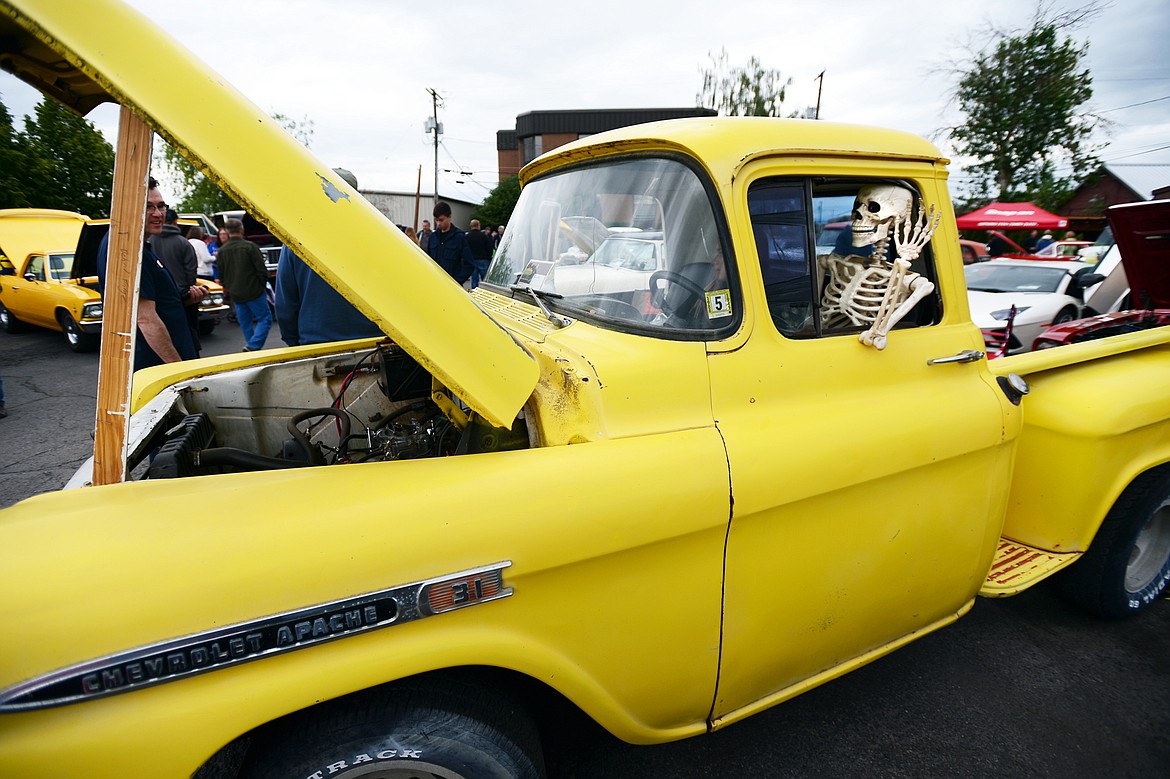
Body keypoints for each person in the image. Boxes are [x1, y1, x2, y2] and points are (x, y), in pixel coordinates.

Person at [96, 177, 198, 371]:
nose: (158, 214)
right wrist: (179, 371)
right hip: (156, 367)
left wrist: (184, 301)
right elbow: (145, 319)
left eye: (161, 206)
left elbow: (154, 302)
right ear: (130, 207)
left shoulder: (135, 244)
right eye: (148, 207)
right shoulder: (128, 248)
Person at [274, 168, 382, 347]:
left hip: (318, 345)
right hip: (373, 343)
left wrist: (294, 341)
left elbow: (285, 303)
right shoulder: (379, 237)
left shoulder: (297, 240)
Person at [152, 208, 207, 354]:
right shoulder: (183, 243)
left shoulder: (149, 241)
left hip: (156, 297)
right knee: (188, 335)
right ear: (176, 222)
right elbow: (191, 272)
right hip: (182, 296)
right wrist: (191, 289)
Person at [216, 218, 272, 351]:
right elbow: (261, 269)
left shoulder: (222, 251)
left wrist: (228, 287)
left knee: (245, 322)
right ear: (242, 230)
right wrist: (263, 283)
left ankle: (252, 345)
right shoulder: (250, 247)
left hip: (236, 292)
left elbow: (221, 273)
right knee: (265, 318)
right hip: (254, 290)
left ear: (228, 232)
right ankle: (254, 345)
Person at [425, 201, 473, 285]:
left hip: (453, 288)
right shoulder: (433, 237)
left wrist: (456, 282)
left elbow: (469, 265)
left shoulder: (459, 237)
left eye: (441, 220)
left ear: (449, 217)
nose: (438, 223)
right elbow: (428, 261)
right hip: (434, 285)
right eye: (436, 220)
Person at [465, 218, 493, 288]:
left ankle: (474, 294)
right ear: (478, 226)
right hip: (483, 259)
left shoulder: (467, 237)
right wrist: (489, 257)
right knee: (485, 280)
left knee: (474, 279)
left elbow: (465, 249)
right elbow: (489, 248)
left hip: (472, 260)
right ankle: (486, 292)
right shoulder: (484, 236)